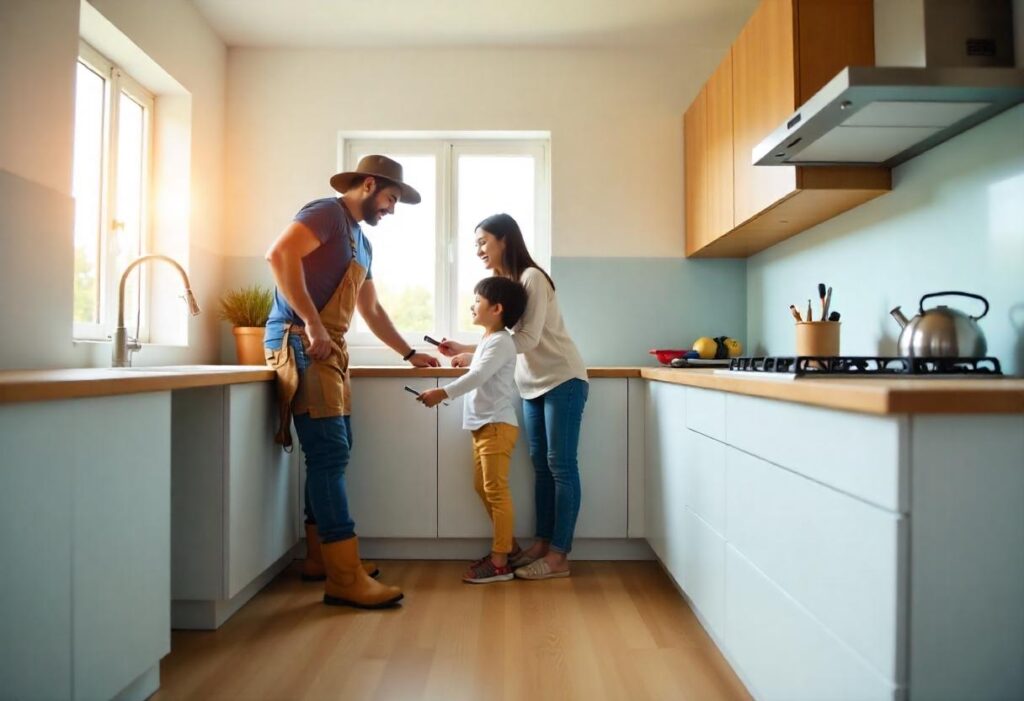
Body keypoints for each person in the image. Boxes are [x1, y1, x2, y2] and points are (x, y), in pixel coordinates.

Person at [263, 155, 440, 609]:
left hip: (328, 348)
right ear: (367, 185)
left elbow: (371, 310)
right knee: (330, 451)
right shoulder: (325, 213)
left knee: (335, 451)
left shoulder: (362, 242)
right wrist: (313, 325)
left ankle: (322, 558)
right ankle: (344, 575)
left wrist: (408, 353)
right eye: (390, 199)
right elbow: (280, 256)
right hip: (303, 341)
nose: (391, 210)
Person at [439, 213, 588, 580]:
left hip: (562, 379)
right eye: (476, 244)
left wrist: (475, 355)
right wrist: (468, 348)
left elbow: (527, 340)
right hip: (532, 384)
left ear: (505, 239)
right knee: (541, 467)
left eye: (483, 242)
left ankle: (558, 556)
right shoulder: (506, 284)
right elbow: (503, 341)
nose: (478, 250)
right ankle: (541, 543)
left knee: (561, 466)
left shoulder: (532, 278)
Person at [417, 277, 528, 583]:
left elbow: (480, 374)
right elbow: (481, 366)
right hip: (484, 426)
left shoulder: (502, 341)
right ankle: (510, 549)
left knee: (495, 491)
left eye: (477, 300)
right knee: (483, 488)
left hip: (496, 427)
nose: (472, 305)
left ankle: (500, 561)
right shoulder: (491, 341)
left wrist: (443, 393)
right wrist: (465, 355)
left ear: (497, 308)